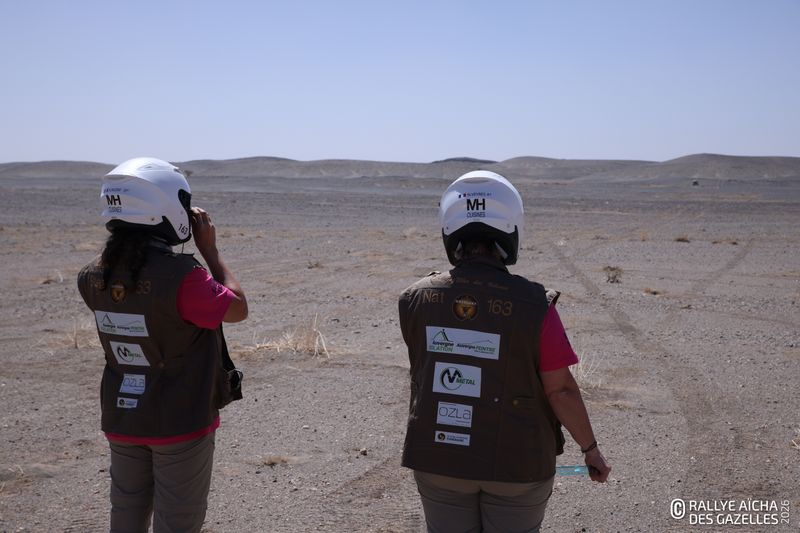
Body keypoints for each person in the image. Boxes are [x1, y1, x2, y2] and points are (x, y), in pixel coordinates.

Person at [398, 170, 611, 533]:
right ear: (511, 228)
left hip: (439, 457)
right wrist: (590, 449)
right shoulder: (535, 305)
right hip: (518, 466)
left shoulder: (415, 299)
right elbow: (560, 390)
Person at [77, 157, 248, 533]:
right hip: (180, 420)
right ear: (168, 206)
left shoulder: (91, 276)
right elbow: (237, 308)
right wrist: (210, 250)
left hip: (122, 416)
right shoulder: (184, 279)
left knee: (126, 515)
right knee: (178, 523)